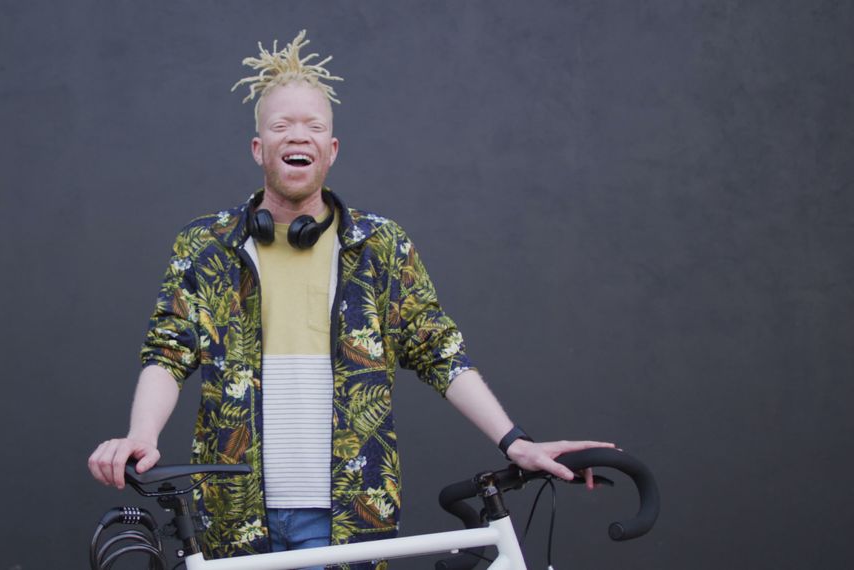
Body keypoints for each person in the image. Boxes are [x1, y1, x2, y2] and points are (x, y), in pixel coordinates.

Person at [88, 30, 613, 569]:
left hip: (349, 518)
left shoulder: (381, 247)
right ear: (258, 147)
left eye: (314, 126)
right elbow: (168, 352)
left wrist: (514, 442)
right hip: (233, 518)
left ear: (331, 149)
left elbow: (440, 353)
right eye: (281, 125)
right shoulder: (206, 246)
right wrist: (141, 436)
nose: (300, 135)